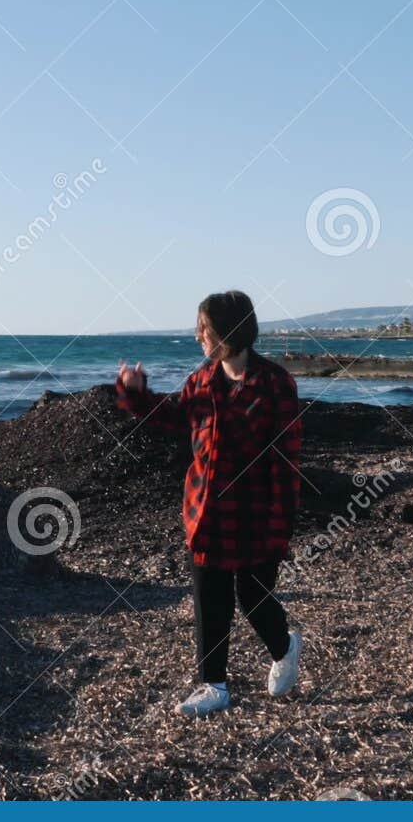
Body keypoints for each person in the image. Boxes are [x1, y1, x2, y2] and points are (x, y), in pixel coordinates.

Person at [115, 290, 305, 717]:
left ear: (231, 331)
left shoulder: (275, 384)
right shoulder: (201, 380)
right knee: (209, 597)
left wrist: (283, 520)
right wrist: (136, 395)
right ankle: (213, 685)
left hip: (257, 513)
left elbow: (287, 457)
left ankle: (285, 645)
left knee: (254, 597)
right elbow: (171, 416)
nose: (199, 335)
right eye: (199, 327)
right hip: (206, 510)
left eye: (206, 328)